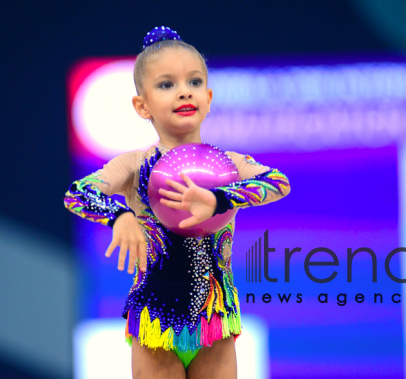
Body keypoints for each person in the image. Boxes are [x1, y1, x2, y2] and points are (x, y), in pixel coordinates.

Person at [64, 26, 291, 379]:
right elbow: (76, 193)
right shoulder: (134, 165)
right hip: (156, 325)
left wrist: (220, 198)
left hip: (215, 322)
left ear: (209, 97)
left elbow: (278, 182)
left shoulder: (229, 164)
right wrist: (119, 214)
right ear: (142, 105)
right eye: (166, 84)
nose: (184, 92)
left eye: (195, 82)